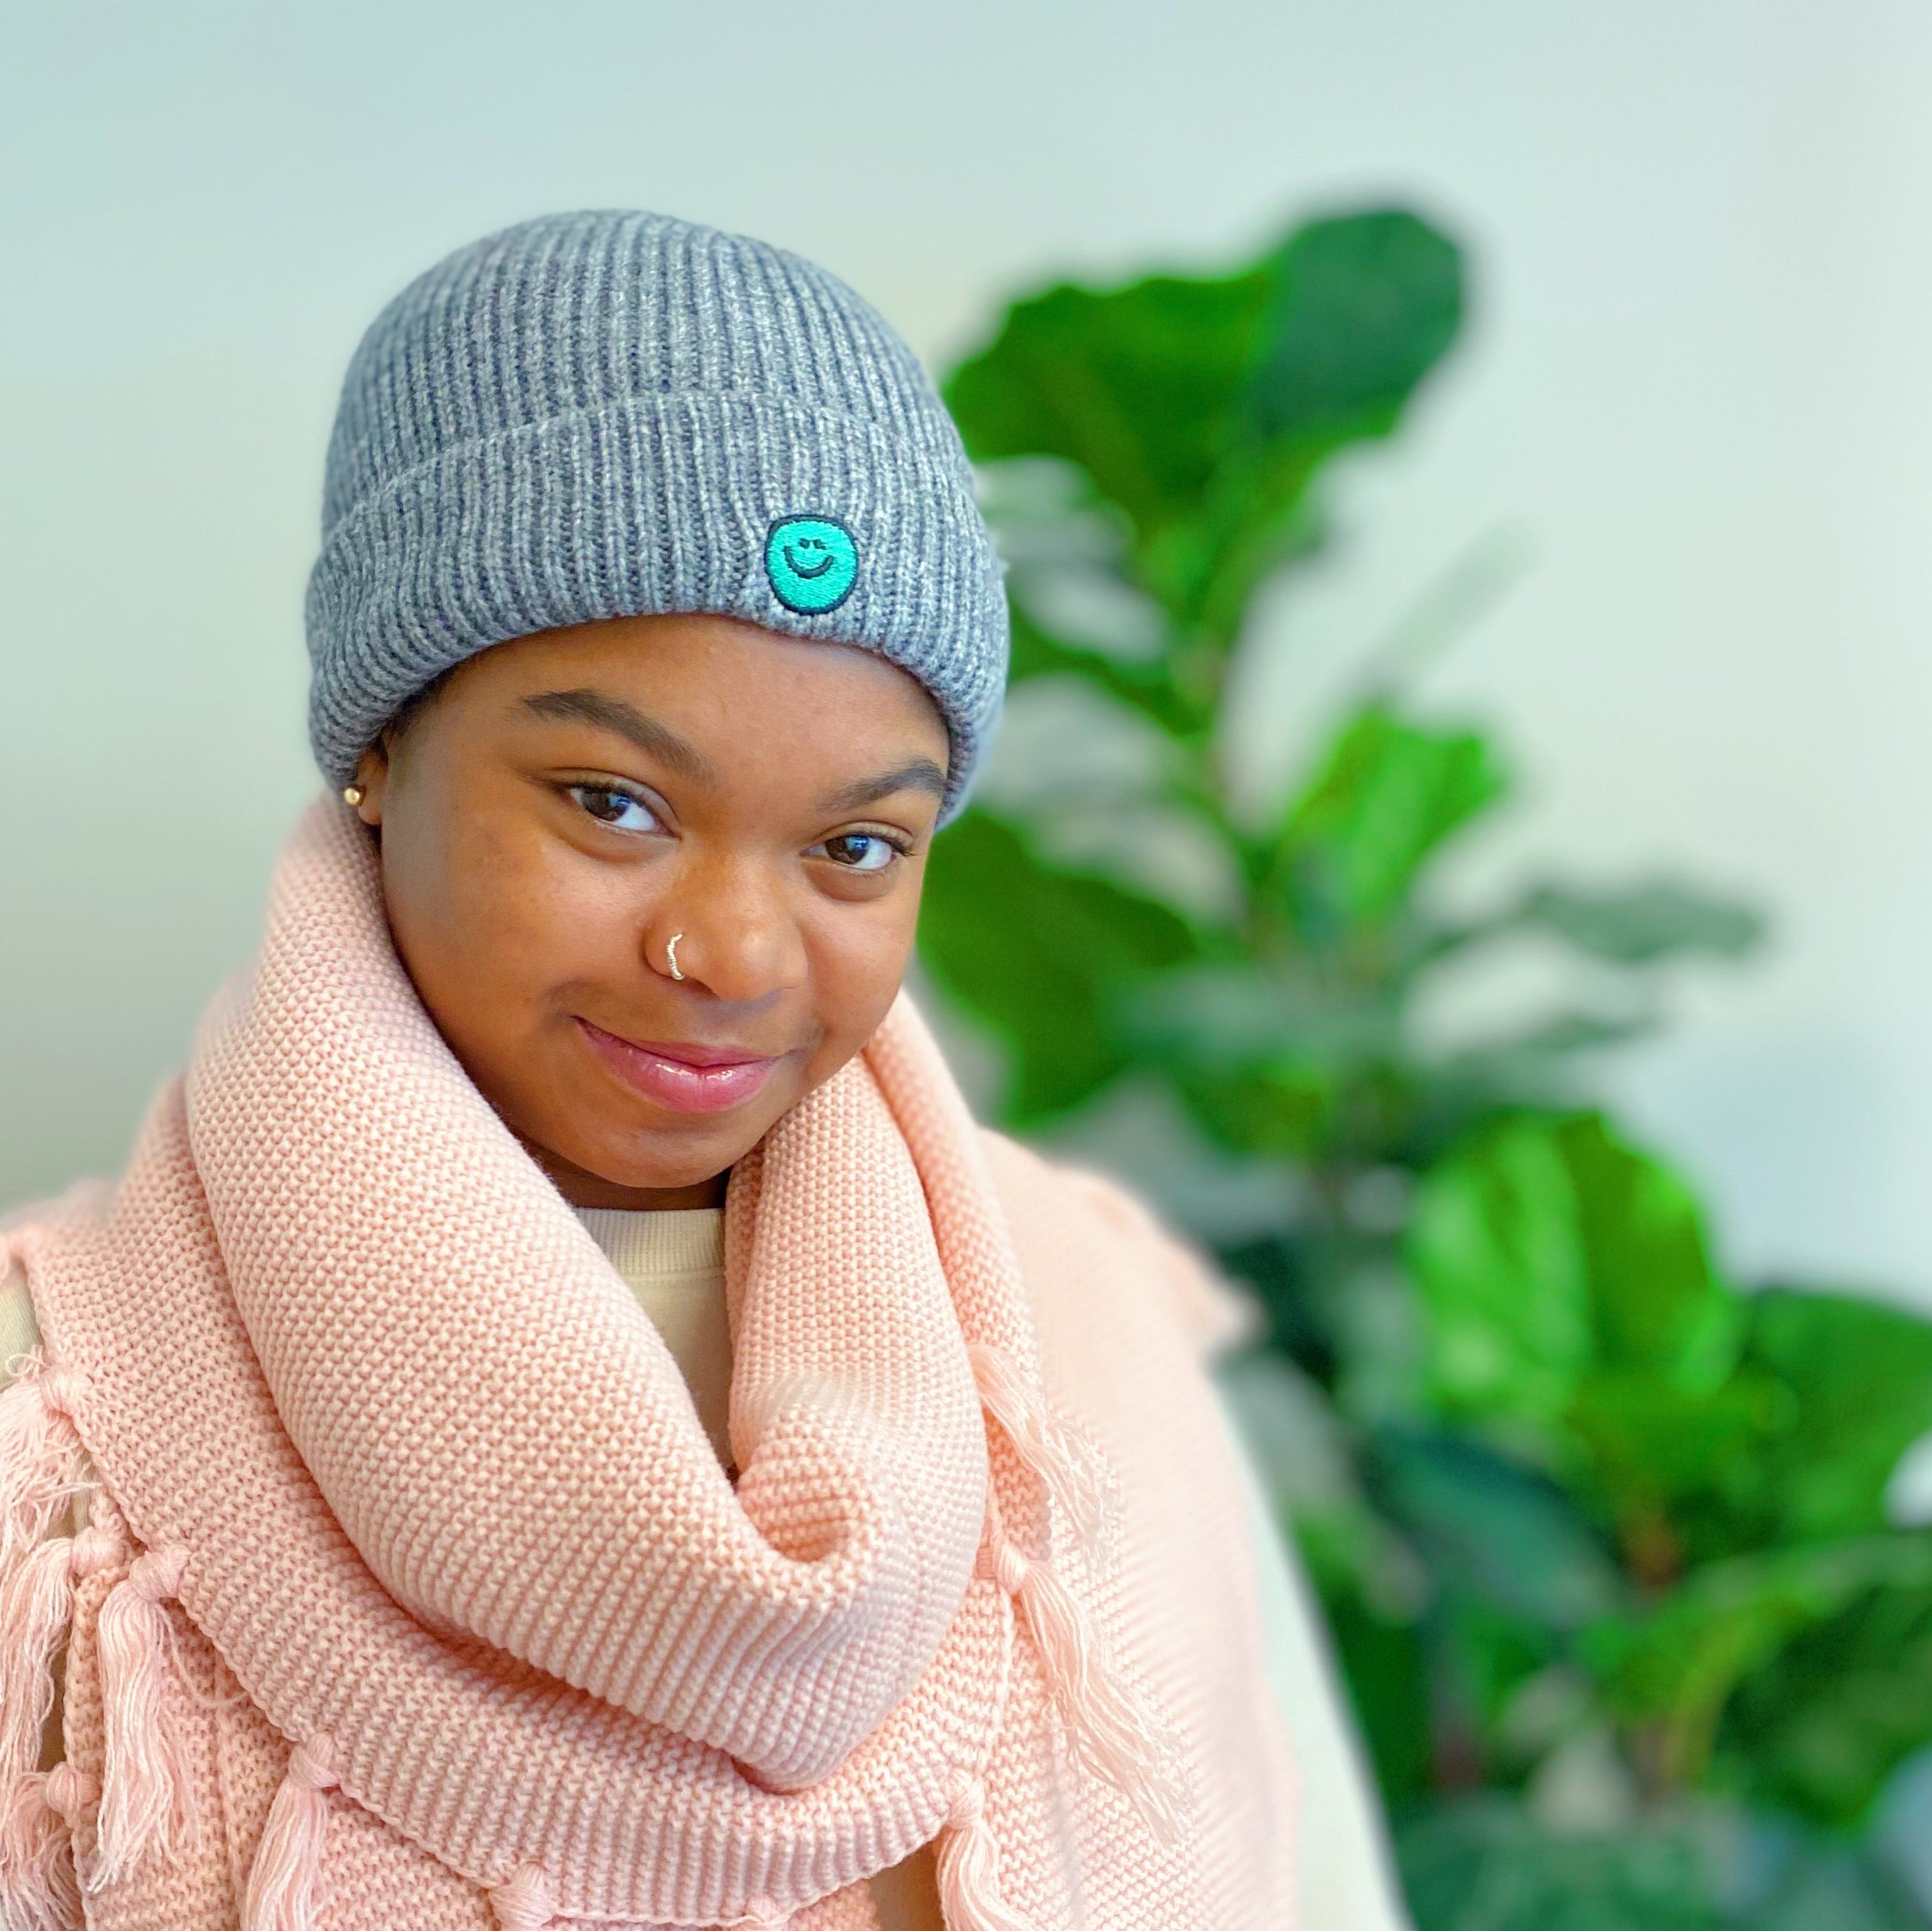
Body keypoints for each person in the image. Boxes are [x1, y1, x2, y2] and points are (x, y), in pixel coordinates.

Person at [0, 211, 1405, 1931]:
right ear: (380, 743)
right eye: (614, 801)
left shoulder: (1082, 1365)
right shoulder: (50, 1457)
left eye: (856, 845)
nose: (733, 955)